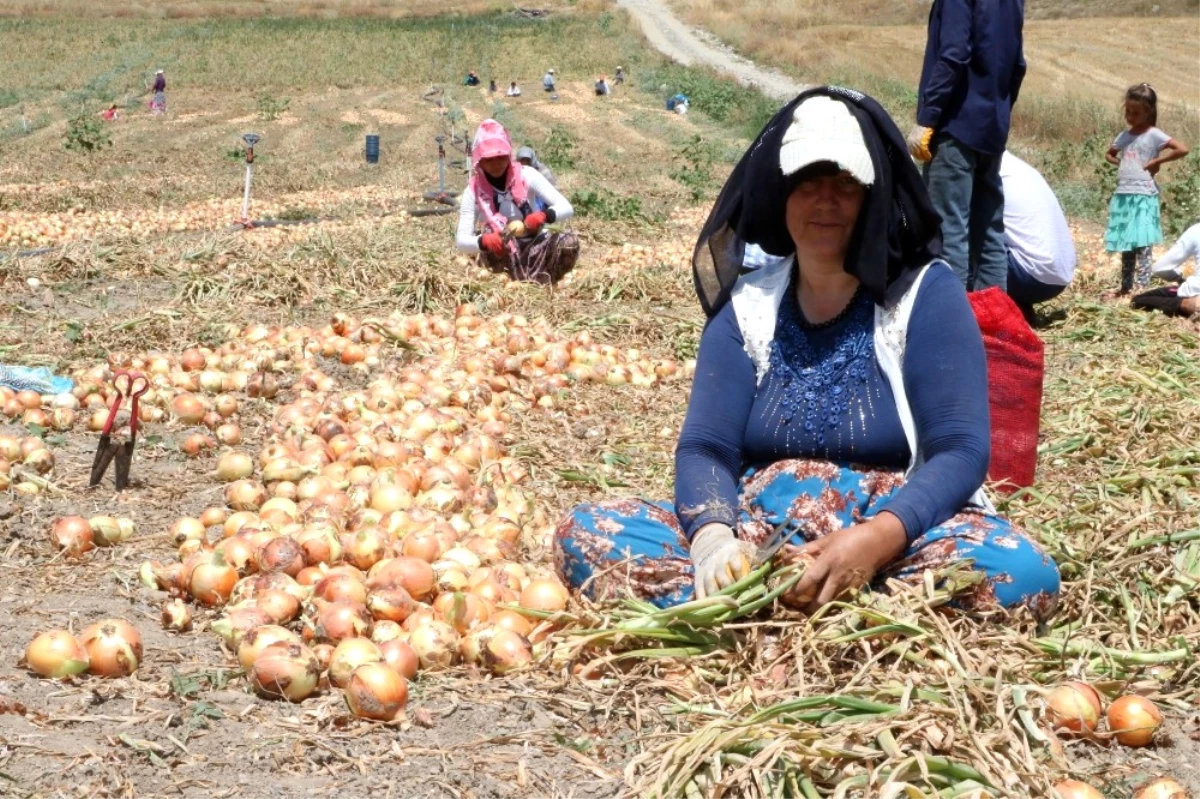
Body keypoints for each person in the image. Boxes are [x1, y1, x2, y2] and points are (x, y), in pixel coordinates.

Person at [554, 87, 1059, 619]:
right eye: (806, 181)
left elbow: (960, 449)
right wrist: (714, 544)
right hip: (759, 537)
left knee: (1021, 574)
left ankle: (776, 613)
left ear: (874, 194)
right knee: (585, 532)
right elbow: (706, 447)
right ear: (780, 195)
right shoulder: (749, 307)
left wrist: (875, 540)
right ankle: (788, 604)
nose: (825, 200)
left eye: (845, 182)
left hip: (895, 533)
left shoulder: (924, 296)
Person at [907, 0, 1026, 293]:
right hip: (991, 129)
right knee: (989, 232)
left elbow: (954, 55)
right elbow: (1018, 65)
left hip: (956, 125)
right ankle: (995, 328)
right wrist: (999, 112)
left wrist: (927, 117)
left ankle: (953, 326)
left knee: (948, 231)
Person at [455, 119, 579, 284]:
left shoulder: (527, 175)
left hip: (537, 246)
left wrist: (544, 216)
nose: (496, 164)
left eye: (500, 157)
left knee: (569, 242)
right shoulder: (473, 191)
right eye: (489, 159)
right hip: (501, 254)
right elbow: (461, 241)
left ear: (508, 154)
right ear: (479, 161)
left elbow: (566, 207)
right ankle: (509, 282)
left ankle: (547, 280)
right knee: (489, 239)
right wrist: (484, 242)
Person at [1104, 84, 1190, 296]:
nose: (1130, 117)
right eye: (1128, 112)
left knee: (1143, 242)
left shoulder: (1154, 135)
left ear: (1148, 112)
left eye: (1136, 113)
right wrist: (1124, 164)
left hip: (1144, 194)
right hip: (1124, 194)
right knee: (1126, 242)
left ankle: (1141, 287)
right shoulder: (1124, 136)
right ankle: (1126, 286)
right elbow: (1110, 154)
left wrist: (1157, 161)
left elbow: (1182, 149)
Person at [1000, 152, 1076, 317]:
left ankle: (990, 311)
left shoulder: (988, 169)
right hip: (1058, 277)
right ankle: (1017, 308)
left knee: (953, 241)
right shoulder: (1015, 166)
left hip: (1031, 278)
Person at [1131, 223, 1200, 317]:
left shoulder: (1196, 230)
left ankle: (1188, 304)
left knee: (1138, 300)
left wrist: (1180, 278)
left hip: (1195, 292)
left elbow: (1160, 268)